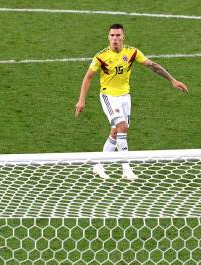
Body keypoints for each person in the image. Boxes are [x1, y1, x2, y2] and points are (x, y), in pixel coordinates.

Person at [74, 23, 189, 181]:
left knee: (115, 132)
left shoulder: (132, 52)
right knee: (123, 126)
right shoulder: (101, 56)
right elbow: (88, 77)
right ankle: (126, 168)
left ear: (123, 37)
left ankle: (98, 166)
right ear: (108, 37)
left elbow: (152, 66)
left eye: (118, 35)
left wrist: (172, 80)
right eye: (112, 35)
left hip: (125, 97)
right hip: (108, 96)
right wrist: (81, 100)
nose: (115, 39)